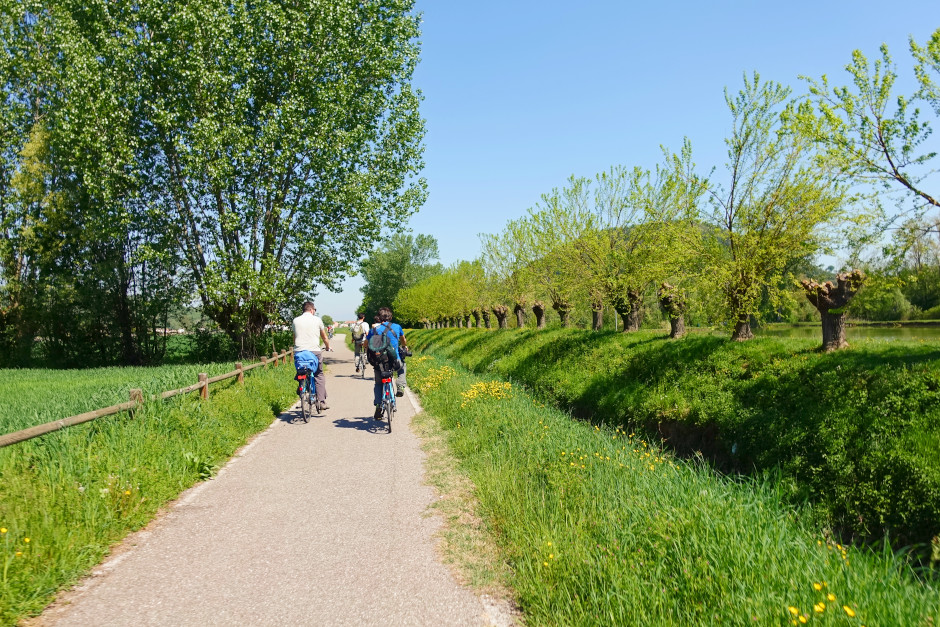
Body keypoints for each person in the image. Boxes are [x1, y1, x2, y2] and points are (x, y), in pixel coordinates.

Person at [366, 306, 408, 420]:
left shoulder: (374, 330)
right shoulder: (397, 327)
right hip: (395, 361)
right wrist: (404, 347)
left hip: (380, 363)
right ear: (391, 317)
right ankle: (400, 386)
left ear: (379, 317)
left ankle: (379, 405)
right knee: (402, 366)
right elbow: (403, 339)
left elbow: (367, 344)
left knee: (379, 384)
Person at [292, 301, 332, 409]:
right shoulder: (317, 320)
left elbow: (294, 337)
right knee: (319, 375)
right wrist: (327, 346)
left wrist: (297, 347)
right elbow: (324, 337)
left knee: (301, 369)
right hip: (314, 352)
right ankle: (322, 402)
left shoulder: (295, 320)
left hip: (299, 351)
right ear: (311, 310)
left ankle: (301, 386)